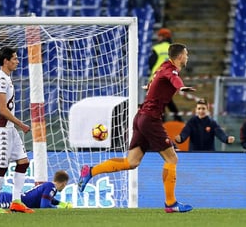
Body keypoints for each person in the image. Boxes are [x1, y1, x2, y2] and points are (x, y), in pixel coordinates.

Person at [78, 43, 195, 213]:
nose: (187, 57)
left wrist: (150, 87)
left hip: (141, 117)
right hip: (150, 119)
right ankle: (171, 204)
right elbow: (173, 78)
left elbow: (158, 80)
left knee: (131, 162)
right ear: (179, 57)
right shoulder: (171, 70)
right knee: (172, 159)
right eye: (186, 54)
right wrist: (181, 87)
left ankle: (90, 171)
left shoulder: (162, 66)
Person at [0, 46, 32, 214]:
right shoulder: (0, 80)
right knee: (1, 165)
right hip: (1, 129)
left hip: (10, 128)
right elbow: (3, 110)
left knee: (23, 162)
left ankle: (16, 201)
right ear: (6, 61)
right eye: (14, 58)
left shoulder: (6, 78)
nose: (17, 61)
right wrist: (21, 124)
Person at [145, 28, 182, 122]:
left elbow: (151, 63)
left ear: (162, 37)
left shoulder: (157, 48)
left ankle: (163, 122)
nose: (158, 38)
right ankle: (178, 120)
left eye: (159, 36)